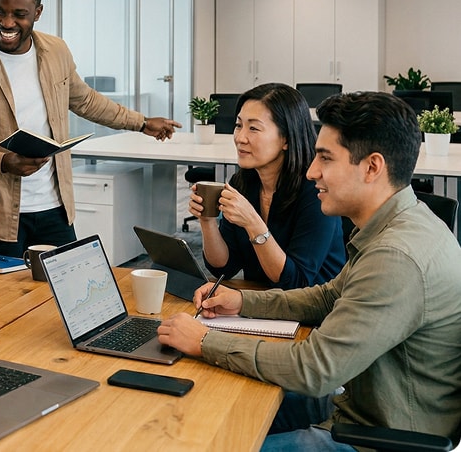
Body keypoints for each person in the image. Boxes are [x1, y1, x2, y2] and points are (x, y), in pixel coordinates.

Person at [158, 92, 461, 450]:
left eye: (326, 158)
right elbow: (329, 297)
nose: (313, 171)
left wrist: (205, 340)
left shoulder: (397, 257)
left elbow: (315, 370)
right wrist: (243, 301)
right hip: (359, 403)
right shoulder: (399, 224)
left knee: (212, 435)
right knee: (205, 407)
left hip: (376, 437)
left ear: (372, 167)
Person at [0, 0, 181, 257]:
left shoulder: (56, 52)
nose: (7, 22)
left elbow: (85, 100)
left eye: (20, 14)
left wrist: (140, 123)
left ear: (37, 12)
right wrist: (2, 163)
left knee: (66, 295)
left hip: (55, 209)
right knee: (5, 302)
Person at [188, 83, 345, 288]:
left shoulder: (316, 191)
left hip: (313, 312)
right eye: (238, 125)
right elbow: (223, 268)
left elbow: (295, 281)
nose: (240, 138)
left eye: (253, 128)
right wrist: (207, 221)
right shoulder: (243, 183)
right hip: (261, 305)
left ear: (286, 139)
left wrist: (253, 222)